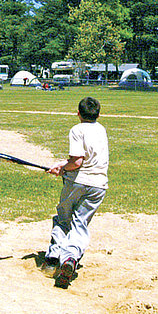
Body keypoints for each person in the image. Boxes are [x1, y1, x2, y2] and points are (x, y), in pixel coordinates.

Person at [41, 96, 109, 289]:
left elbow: (77, 162)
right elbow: (85, 159)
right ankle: (70, 258)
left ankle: (54, 259)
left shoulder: (77, 129)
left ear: (78, 113)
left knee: (63, 218)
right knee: (80, 223)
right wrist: (63, 165)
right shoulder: (101, 129)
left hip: (77, 182)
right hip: (99, 185)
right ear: (98, 114)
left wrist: (62, 169)